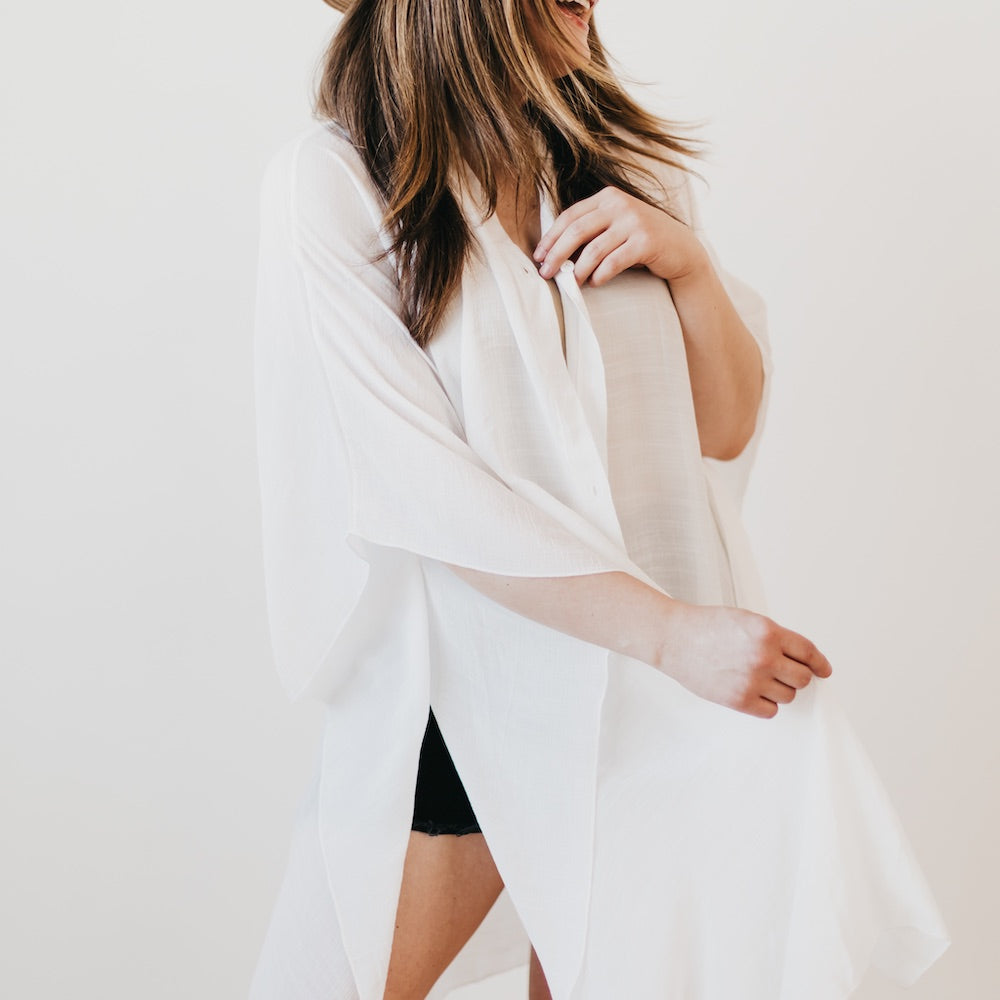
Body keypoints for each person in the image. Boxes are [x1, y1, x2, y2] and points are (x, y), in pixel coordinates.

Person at [249, 1, 951, 997]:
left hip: (659, 689)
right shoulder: (337, 186)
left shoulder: (629, 166)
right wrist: (667, 633)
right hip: (475, 682)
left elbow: (724, 427)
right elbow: (419, 488)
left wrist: (686, 263)